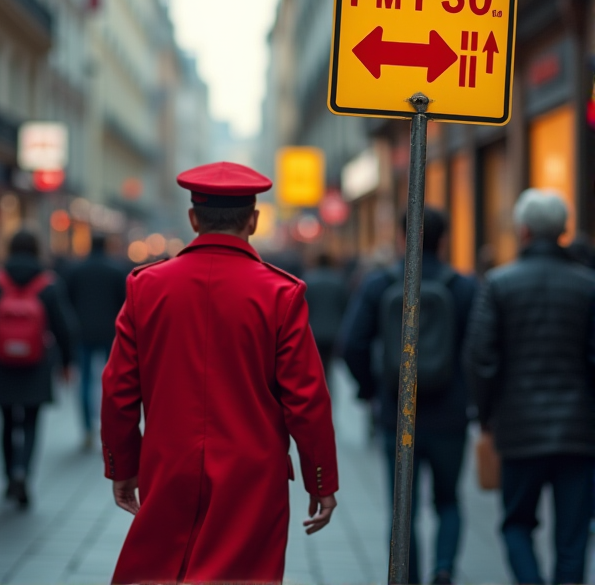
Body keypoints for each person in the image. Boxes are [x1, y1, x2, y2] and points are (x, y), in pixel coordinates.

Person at [101, 161, 338, 584]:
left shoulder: (146, 286)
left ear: (194, 218)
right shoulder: (280, 293)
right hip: (253, 480)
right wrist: (320, 479)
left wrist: (123, 465)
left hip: (168, 467)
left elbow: (118, 390)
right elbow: (307, 398)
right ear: (254, 219)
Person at [464, 189, 595, 585]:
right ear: (562, 231)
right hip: (580, 430)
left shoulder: (500, 284)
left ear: (522, 231)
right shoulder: (588, 285)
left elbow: (481, 357)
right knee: (573, 537)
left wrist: (485, 416)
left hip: (519, 428)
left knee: (517, 524)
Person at [341, 206, 477, 585]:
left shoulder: (380, 282)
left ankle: (409, 577)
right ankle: (444, 569)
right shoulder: (462, 286)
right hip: (450, 413)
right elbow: (480, 348)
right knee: (448, 500)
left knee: (403, 508)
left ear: (402, 237)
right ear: (444, 239)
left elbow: (352, 343)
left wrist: (371, 389)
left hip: (398, 413)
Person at [0, 229, 75, 508]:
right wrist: (67, 362)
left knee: (6, 421)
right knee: (32, 421)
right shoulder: (48, 283)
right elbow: (64, 326)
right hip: (37, 363)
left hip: (1, 363)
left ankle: (9, 476)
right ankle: (24, 472)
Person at [66, 233, 126, 448]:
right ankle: (108, 427)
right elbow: (124, 303)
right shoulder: (116, 270)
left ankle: (87, 429)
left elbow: (68, 301)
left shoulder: (76, 270)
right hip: (110, 334)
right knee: (111, 382)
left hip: (82, 332)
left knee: (84, 382)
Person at [303, 252, 347, 386]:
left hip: (313, 331)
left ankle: (319, 389)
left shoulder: (308, 280)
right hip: (334, 331)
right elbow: (344, 306)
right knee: (329, 366)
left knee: (315, 366)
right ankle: (327, 390)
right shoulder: (338, 281)